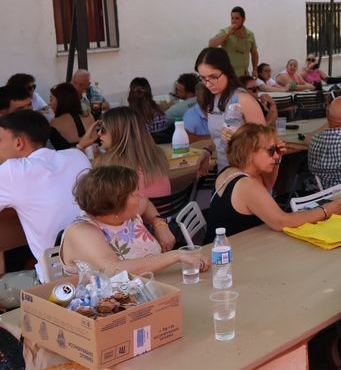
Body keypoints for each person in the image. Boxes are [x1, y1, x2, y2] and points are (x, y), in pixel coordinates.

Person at [206, 124, 341, 242]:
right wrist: (325, 211)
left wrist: (277, 159)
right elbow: (281, 222)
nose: (276, 155)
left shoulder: (230, 172)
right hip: (231, 257)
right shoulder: (247, 186)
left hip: (225, 246)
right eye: (271, 151)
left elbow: (266, 187)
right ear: (249, 151)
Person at [0, 110, 90, 280]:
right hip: (99, 260)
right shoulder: (76, 156)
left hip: (59, 277)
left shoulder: (12, 171)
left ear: (19, 143)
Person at [60, 166, 199, 275]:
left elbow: (146, 203)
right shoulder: (82, 232)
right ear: (115, 205)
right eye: (133, 193)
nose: (140, 194)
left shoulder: (127, 213)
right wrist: (176, 255)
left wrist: (160, 224)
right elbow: (114, 270)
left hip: (157, 287)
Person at [195, 47, 267, 172]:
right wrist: (208, 151)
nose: (208, 83)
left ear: (226, 71)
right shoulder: (212, 98)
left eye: (213, 77)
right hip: (225, 171)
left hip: (247, 173)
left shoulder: (243, 99)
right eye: (203, 78)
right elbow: (219, 137)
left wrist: (241, 136)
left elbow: (266, 141)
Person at [92, 106, 170, 200]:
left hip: (134, 214)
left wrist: (80, 147)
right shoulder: (158, 155)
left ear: (118, 132)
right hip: (164, 213)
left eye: (103, 129)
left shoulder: (106, 164)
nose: (99, 133)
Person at [208, 6, 259, 77]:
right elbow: (211, 44)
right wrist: (228, 34)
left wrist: (255, 69)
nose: (234, 21)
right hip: (229, 76)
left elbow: (254, 53)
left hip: (244, 75)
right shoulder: (225, 31)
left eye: (237, 18)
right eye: (232, 18)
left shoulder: (250, 34)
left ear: (243, 19)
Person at [49, 82, 95, 146]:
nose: (49, 103)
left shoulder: (55, 122)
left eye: (51, 99)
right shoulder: (89, 116)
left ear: (60, 101)